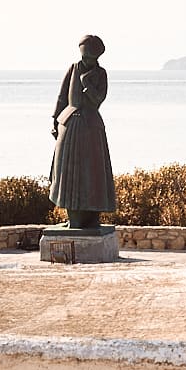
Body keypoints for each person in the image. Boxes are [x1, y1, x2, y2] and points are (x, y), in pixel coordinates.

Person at [49, 34, 116, 229]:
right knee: (68, 174)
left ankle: (92, 216)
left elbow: (98, 100)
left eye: (90, 57)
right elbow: (62, 96)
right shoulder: (73, 68)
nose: (85, 60)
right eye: (84, 56)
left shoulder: (101, 74)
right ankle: (74, 217)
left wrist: (86, 83)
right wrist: (55, 120)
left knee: (93, 173)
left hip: (91, 127)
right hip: (69, 124)